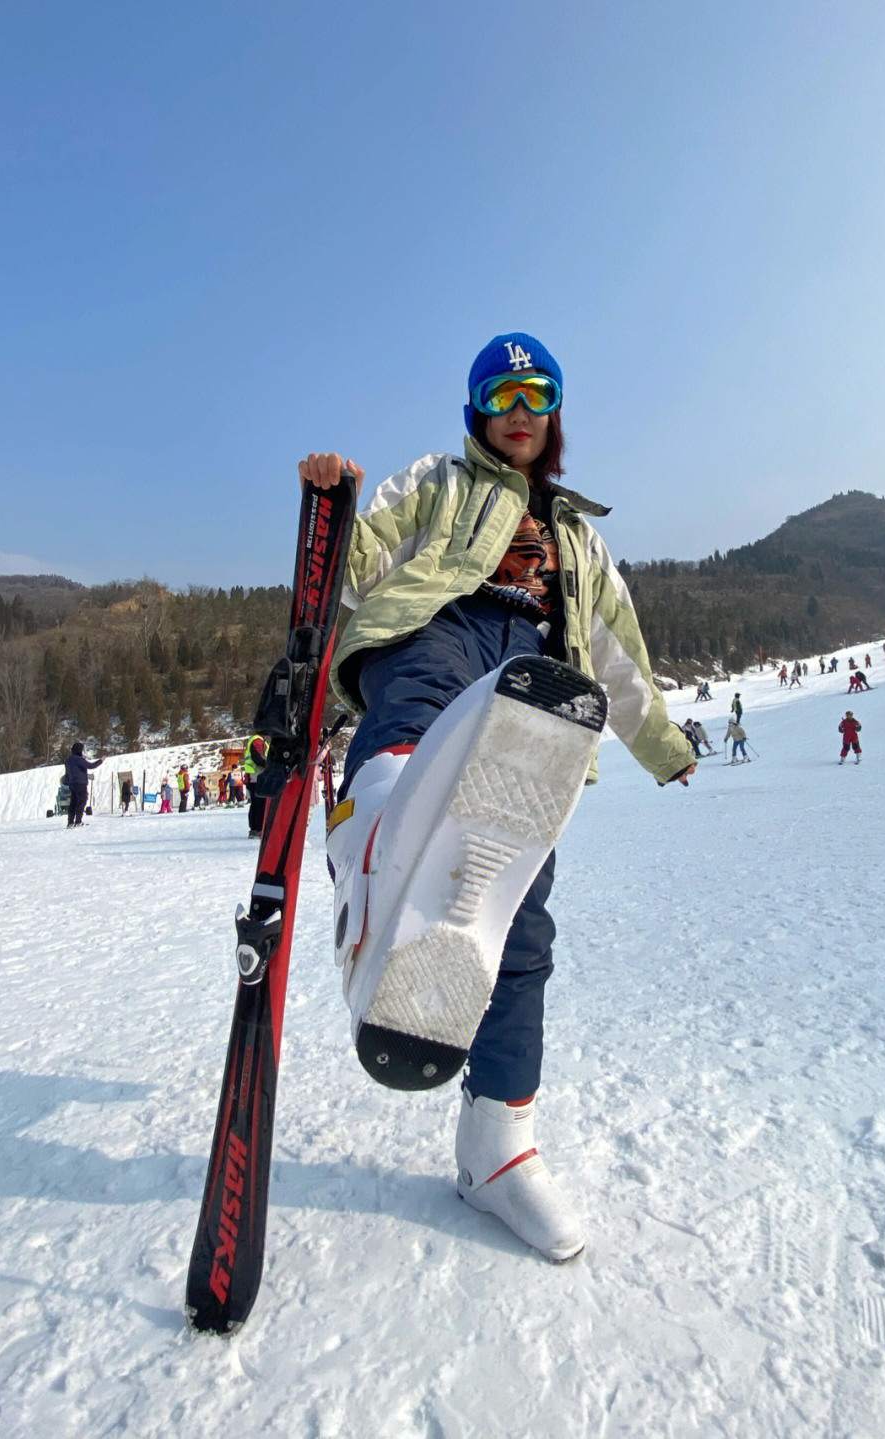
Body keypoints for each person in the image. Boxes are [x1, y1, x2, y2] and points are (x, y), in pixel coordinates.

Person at [302, 331, 695, 1262]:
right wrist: (332, 504)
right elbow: (358, 553)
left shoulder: (579, 541)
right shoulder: (438, 482)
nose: (521, 413)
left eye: (538, 396)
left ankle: (498, 1148)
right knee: (424, 701)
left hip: (537, 694)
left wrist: (663, 744)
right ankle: (376, 840)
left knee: (518, 914)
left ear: (554, 415)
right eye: (502, 397)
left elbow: (618, 659)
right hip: (441, 627)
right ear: (478, 412)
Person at [66, 742, 101, 828]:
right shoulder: (78, 759)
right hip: (80, 783)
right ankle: (78, 821)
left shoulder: (68, 760)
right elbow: (91, 765)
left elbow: (67, 773)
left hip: (71, 783)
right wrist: (101, 760)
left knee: (73, 802)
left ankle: (70, 822)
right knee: (82, 801)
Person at [243, 733, 269, 835]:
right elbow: (258, 758)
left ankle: (254, 828)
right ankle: (259, 828)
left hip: (252, 777)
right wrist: (268, 766)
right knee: (261, 803)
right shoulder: (258, 741)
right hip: (258, 775)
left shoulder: (253, 740)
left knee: (255, 804)